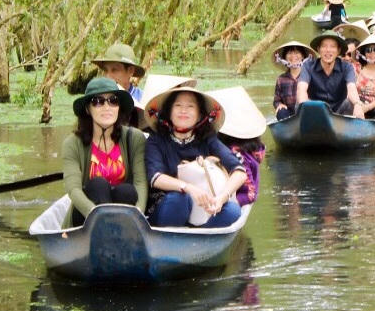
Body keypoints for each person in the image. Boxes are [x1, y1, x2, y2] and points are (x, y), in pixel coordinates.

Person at [143, 87, 245, 227]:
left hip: (204, 211)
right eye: (178, 105)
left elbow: (239, 172)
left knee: (232, 211)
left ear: (199, 115)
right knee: (179, 199)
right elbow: (155, 178)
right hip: (168, 208)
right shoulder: (156, 140)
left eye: (190, 106)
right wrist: (189, 188)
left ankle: (202, 235)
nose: (183, 111)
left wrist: (222, 198)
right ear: (169, 112)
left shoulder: (208, 139)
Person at [61, 77, 148, 227]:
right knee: (98, 185)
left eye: (113, 101)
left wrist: (138, 214)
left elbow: (140, 182)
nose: (107, 107)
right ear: (88, 109)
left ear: (118, 107)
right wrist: (98, 216)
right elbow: (73, 189)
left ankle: (119, 233)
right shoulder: (72, 143)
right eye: (98, 101)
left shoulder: (135, 138)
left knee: (126, 191)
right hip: (86, 217)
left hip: (124, 217)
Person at [209, 86, 267, 207]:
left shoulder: (236, 154)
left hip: (235, 197)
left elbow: (250, 193)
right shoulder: (252, 148)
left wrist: (226, 201)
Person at [297, 31, 365, 119]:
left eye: (332, 47)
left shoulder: (347, 67)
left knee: (350, 103)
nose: (328, 50)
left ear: (338, 51)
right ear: (318, 49)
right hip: (314, 111)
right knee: (299, 104)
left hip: (338, 113)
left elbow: (351, 88)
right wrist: (305, 105)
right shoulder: (308, 66)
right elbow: (301, 89)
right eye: (324, 46)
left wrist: (357, 104)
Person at [272, 41, 313, 121]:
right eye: (290, 53)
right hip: (289, 114)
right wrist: (279, 105)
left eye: (297, 53)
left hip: (306, 111)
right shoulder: (281, 79)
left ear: (302, 56)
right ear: (285, 57)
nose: (293, 56)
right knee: (281, 112)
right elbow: (276, 100)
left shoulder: (309, 77)